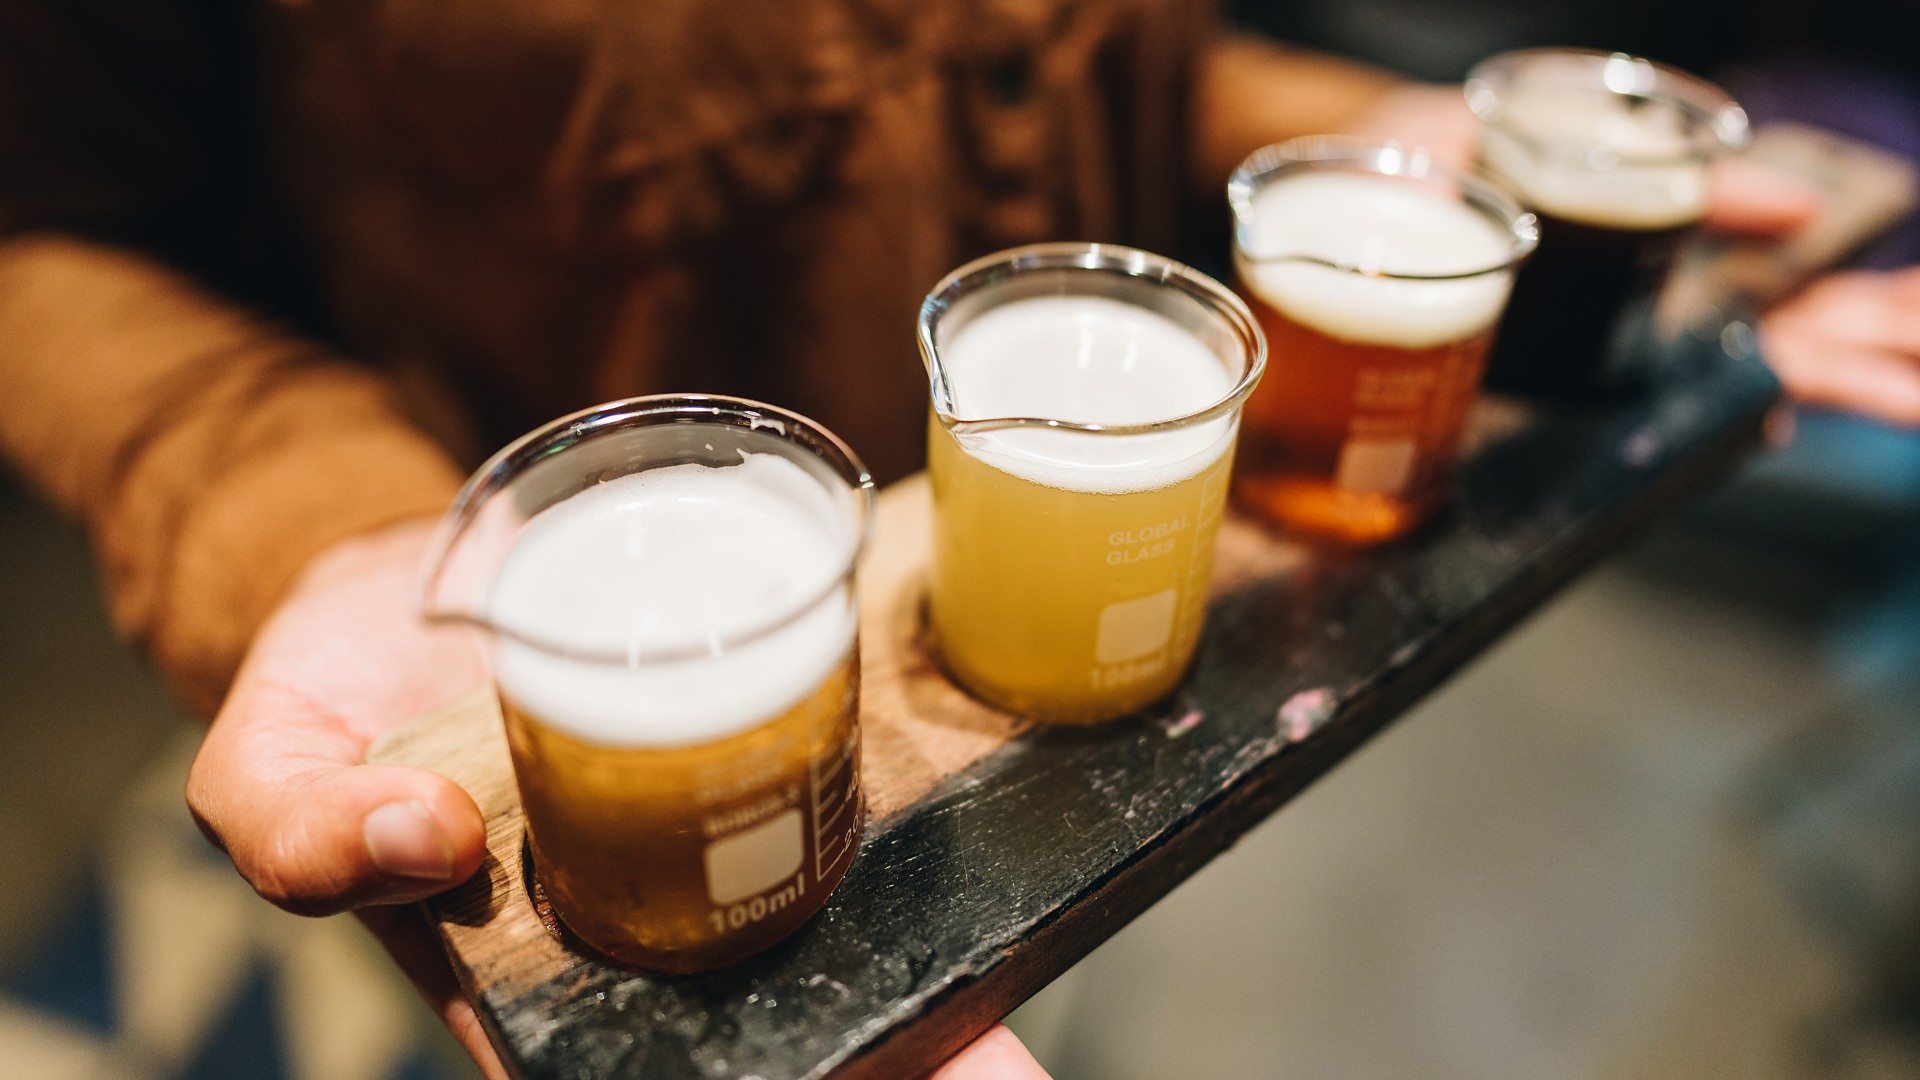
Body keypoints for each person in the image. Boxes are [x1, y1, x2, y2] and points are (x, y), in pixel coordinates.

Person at [0, 3, 1902, 1077]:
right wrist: (328, 531)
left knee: (1002, 938)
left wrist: (1360, 145)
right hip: (559, 610)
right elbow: (49, 227)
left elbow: (1113, 59)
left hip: (998, 643)